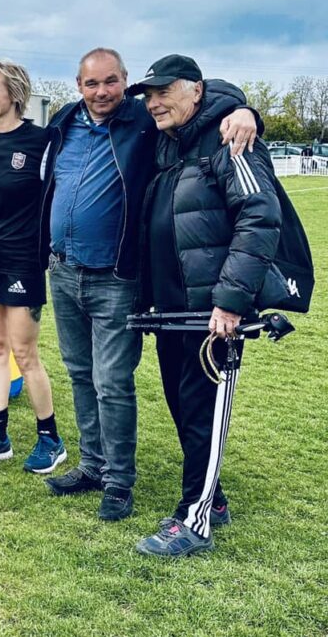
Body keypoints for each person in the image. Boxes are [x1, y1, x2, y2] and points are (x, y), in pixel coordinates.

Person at [39, 48, 259, 521]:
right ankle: (93, 466)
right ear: (77, 85)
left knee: (111, 382)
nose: (102, 92)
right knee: (80, 375)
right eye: (91, 83)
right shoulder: (63, 121)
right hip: (64, 271)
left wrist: (244, 108)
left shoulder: (143, 118)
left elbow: (204, 96)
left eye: (111, 82)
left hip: (117, 277)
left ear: (124, 82)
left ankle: (119, 482)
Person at [128, 54, 287, 557]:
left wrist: (232, 301)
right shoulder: (166, 143)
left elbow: (259, 217)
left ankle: (195, 520)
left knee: (204, 410)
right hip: (173, 311)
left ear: (195, 91)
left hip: (214, 313)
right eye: (148, 94)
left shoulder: (231, 139)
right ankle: (211, 499)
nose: (153, 102)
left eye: (163, 91)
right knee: (182, 406)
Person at [0, 59, 66, 474]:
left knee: (25, 352)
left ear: (14, 94)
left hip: (22, 260)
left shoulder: (43, 141)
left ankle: (50, 438)